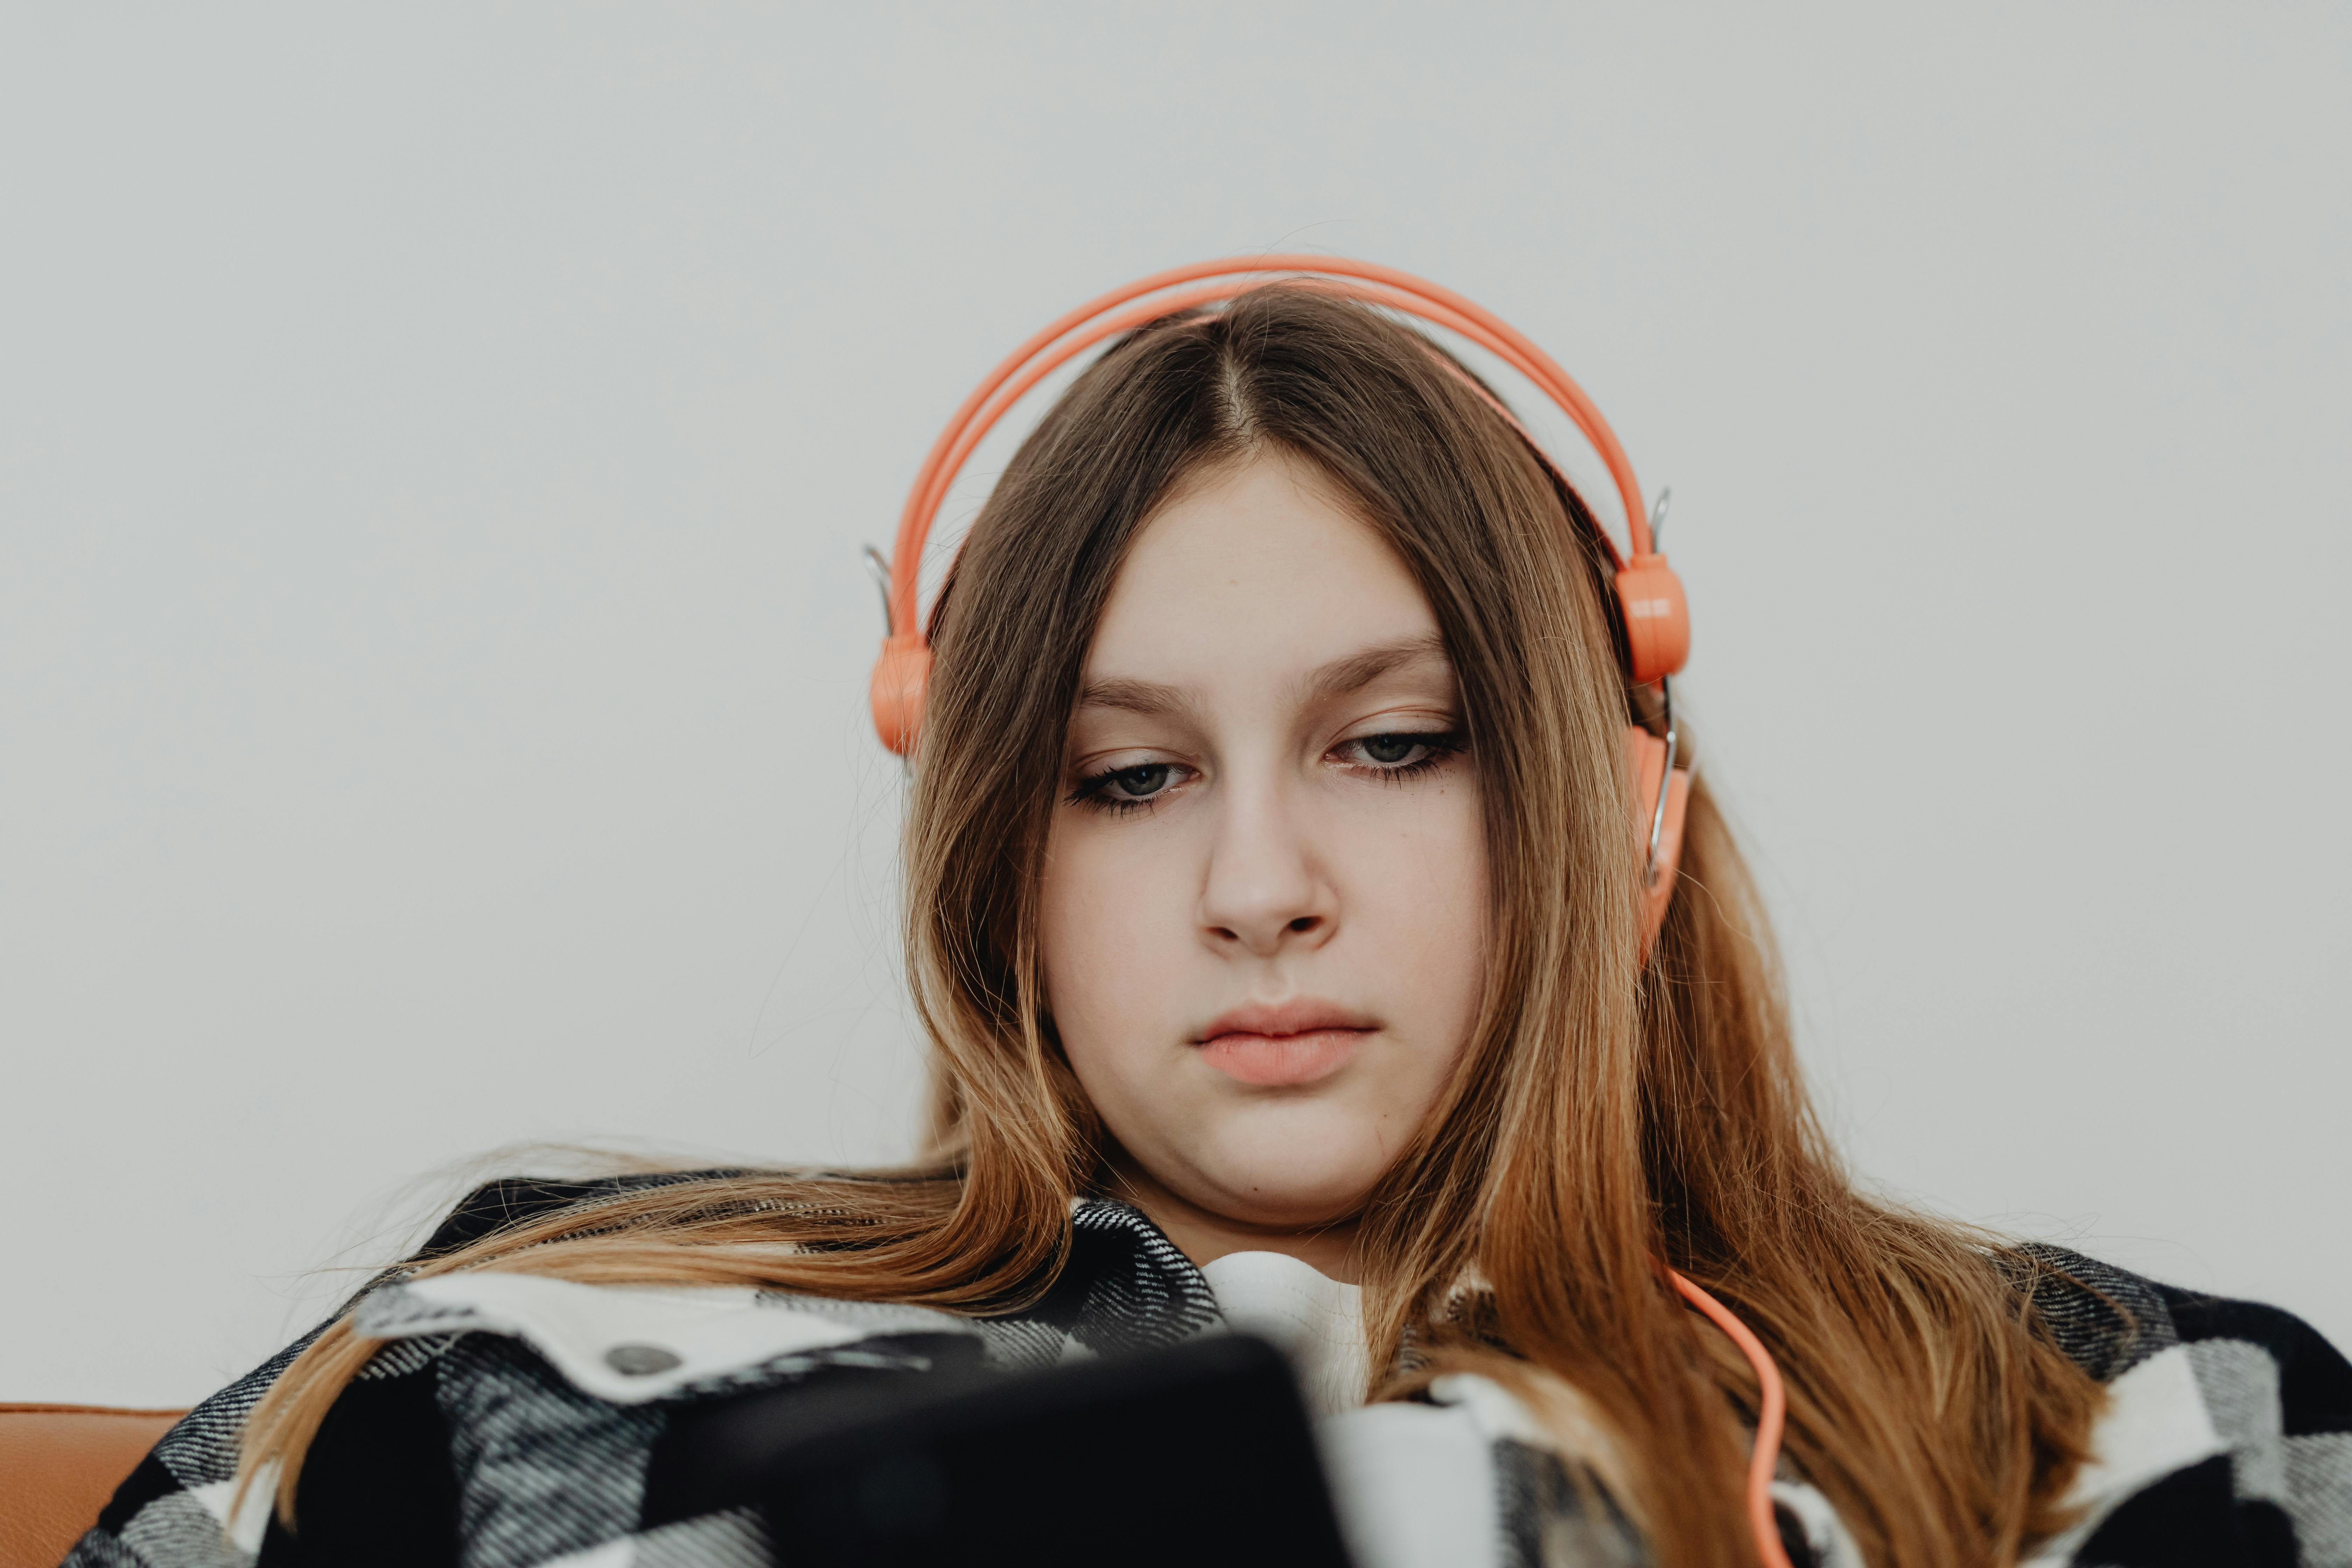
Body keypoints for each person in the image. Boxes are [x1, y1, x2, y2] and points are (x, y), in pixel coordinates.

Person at [68, 269, 2350, 1568]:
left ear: (1624, 817)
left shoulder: (2138, 1409)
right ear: (996, 859)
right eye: (1128, 778)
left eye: (1396, 743)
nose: (1261, 891)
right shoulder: (514, 1344)